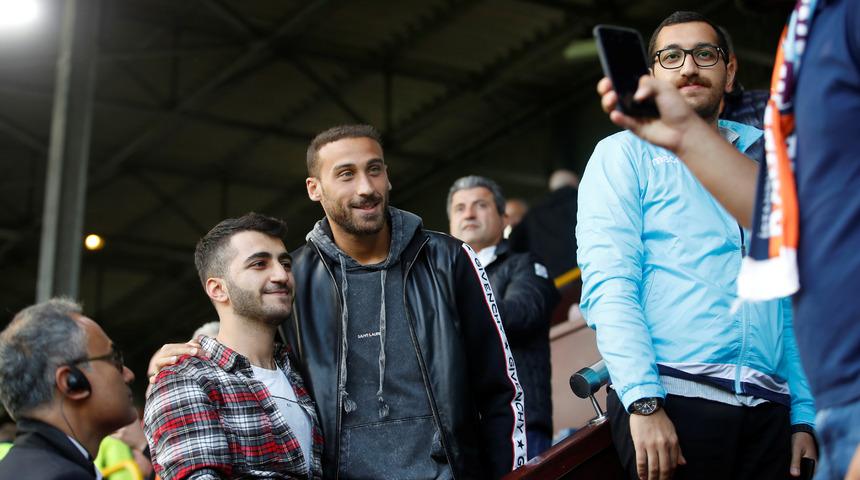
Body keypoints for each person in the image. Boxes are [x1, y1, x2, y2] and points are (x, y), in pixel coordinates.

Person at [596, 2, 859, 479]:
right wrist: (641, 400)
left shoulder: (767, 151)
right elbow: (610, 282)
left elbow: (793, 284)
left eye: (705, 54)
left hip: (770, 410)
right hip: (674, 396)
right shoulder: (621, 155)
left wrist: (804, 413)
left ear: (730, 70)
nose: (690, 67)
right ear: (650, 72)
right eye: (671, 57)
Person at [289, 124, 525, 479]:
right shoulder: (292, 281)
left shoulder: (448, 259)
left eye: (375, 169)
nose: (366, 188)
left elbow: (502, 388)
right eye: (346, 175)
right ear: (314, 188)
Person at [144, 213, 323, 479]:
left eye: (285, 264)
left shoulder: (303, 371)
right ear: (217, 289)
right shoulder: (185, 377)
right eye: (259, 264)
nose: (281, 275)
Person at [447, 175, 559, 459]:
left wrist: (448, 311)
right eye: (459, 208)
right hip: (460, 433)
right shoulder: (441, 280)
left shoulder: (526, 265)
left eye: (480, 205)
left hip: (518, 421)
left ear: (504, 217)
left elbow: (523, 314)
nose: (469, 214)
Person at [0, 299, 138, 480]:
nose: (129, 374)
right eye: (114, 359)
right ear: (71, 382)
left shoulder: (16, 467)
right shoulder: (64, 475)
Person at [508, 168, 579, 280]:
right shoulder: (583, 200)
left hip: (557, 285)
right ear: (575, 183)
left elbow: (514, 246)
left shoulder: (532, 215)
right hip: (586, 271)